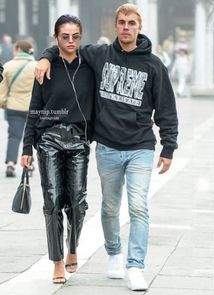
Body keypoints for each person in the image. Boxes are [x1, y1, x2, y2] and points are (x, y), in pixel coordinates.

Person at [35, 3, 178, 291]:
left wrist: (168, 146)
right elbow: (67, 45)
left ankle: (136, 266)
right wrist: (45, 56)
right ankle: (114, 252)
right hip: (108, 147)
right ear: (115, 26)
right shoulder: (99, 55)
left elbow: (166, 107)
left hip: (141, 146)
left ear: (139, 26)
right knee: (110, 207)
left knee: (138, 206)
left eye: (132, 23)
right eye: (122, 22)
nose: (126, 27)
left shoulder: (153, 64)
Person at [21, 15, 95, 284]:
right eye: (65, 37)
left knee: (77, 201)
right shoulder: (46, 67)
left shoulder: (90, 65)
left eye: (75, 36)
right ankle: (57, 262)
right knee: (52, 201)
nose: (71, 41)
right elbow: (35, 107)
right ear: (56, 38)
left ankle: (73, 245)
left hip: (79, 139)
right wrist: (27, 146)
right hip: (49, 137)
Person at [0, 40, 36, 177]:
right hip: (32, 107)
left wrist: (3, 103)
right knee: (31, 136)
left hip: (13, 107)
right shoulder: (37, 66)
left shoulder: (8, 66)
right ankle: (29, 163)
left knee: (14, 136)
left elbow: (1, 89)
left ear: (18, 49)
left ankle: (10, 164)